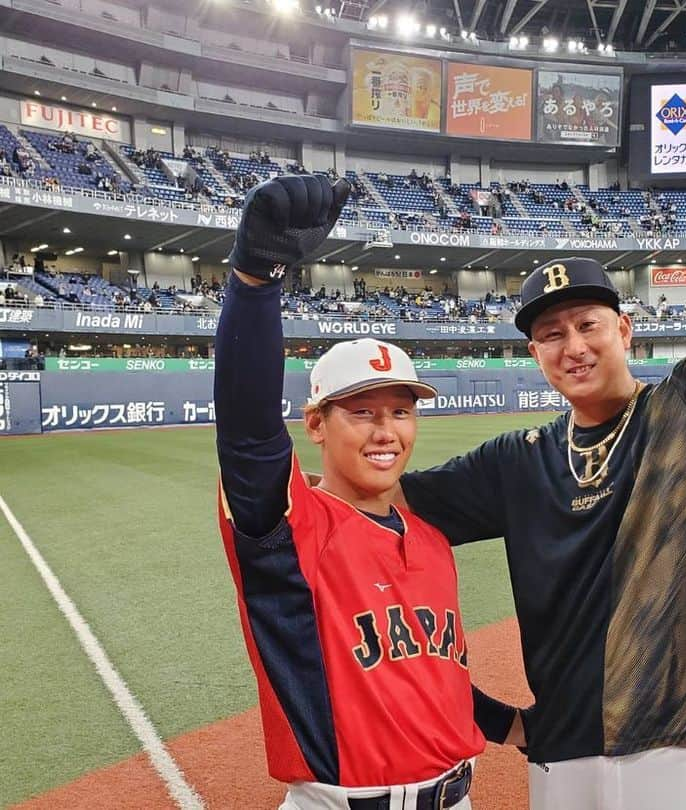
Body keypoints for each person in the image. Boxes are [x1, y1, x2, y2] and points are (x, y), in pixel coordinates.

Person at [388, 26, 686, 810]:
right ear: (534, 353)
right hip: (561, 754)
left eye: (587, 324)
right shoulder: (516, 460)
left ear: (624, 329)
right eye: (549, 333)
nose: (571, 345)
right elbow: (382, 507)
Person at [215, 174, 506, 810]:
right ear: (316, 424)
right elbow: (247, 431)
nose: (386, 431)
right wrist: (257, 281)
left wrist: (509, 724)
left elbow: (426, 669)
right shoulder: (289, 530)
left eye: (401, 411)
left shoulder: (429, 537)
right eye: (361, 411)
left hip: (457, 796)